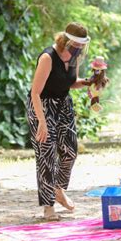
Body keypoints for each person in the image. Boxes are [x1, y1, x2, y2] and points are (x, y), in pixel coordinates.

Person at [27, 22, 94, 220]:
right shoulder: (48, 58)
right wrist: (41, 121)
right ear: (65, 41)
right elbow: (35, 92)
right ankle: (48, 206)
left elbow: (70, 82)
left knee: (70, 151)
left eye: (82, 46)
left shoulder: (74, 58)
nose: (80, 49)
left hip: (63, 104)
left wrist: (90, 82)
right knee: (46, 155)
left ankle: (58, 188)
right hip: (42, 105)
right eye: (77, 45)